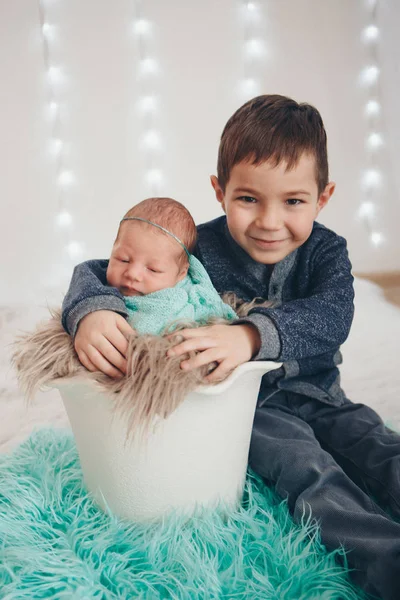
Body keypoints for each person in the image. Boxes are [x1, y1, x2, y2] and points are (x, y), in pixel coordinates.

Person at [62, 94, 400, 599]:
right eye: (248, 198)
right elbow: (104, 269)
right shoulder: (197, 244)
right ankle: (386, 562)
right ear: (219, 192)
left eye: (293, 201)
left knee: (377, 446)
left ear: (322, 198)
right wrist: (92, 309)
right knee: (309, 472)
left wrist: (249, 334)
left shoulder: (327, 250)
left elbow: (334, 315)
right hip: (249, 409)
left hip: (321, 394)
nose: (268, 221)